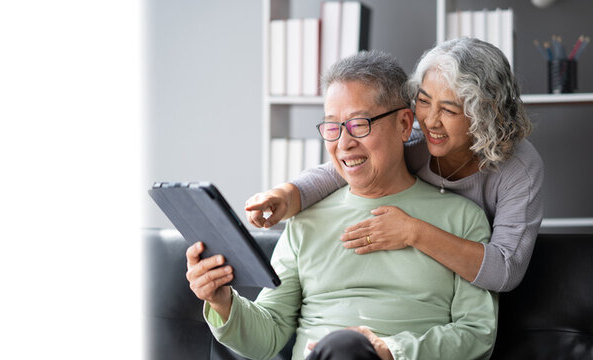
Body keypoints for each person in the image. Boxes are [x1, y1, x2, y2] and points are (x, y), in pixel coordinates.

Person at [187, 51, 497, 360]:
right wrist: (222, 302)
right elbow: (266, 338)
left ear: (404, 124)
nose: (343, 143)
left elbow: (476, 333)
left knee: (345, 349)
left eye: (359, 124)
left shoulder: (462, 220)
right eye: (332, 127)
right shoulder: (306, 222)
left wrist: (391, 351)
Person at [246, 37, 543, 292]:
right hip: (418, 276)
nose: (430, 121)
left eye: (449, 109)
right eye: (424, 102)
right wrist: (287, 194)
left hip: (474, 291)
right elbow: (342, 167)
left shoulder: (519, 168)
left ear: (485, 114)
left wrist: (413, 232)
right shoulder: (415, 138)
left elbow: (505, 269)